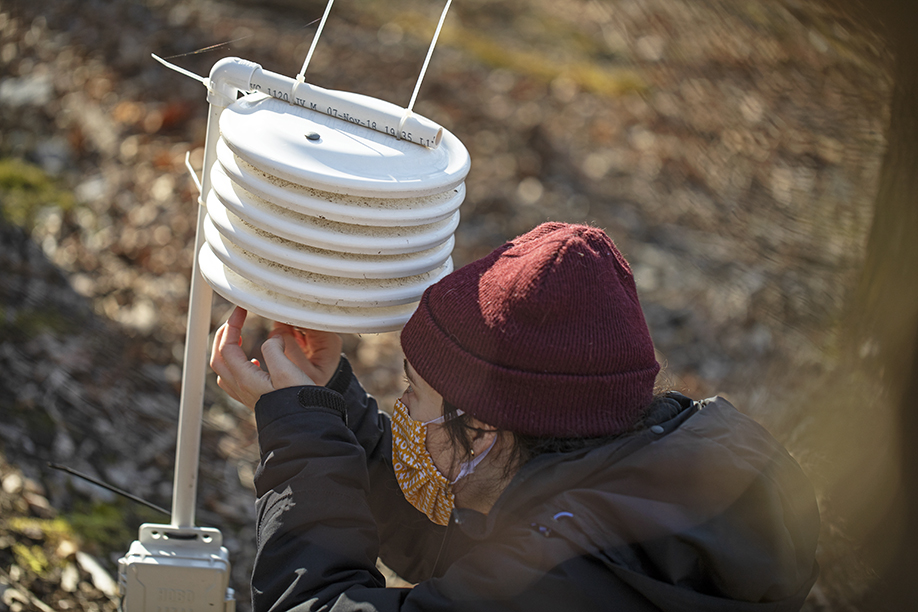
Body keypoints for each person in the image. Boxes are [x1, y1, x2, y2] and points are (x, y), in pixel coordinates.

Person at [210, 222, 820, 612]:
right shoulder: (637, 496)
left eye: (413, 389)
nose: (403, 407)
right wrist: (329, 402)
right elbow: (466, 564)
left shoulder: (566, 578)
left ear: (481, 431)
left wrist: (296, 432)